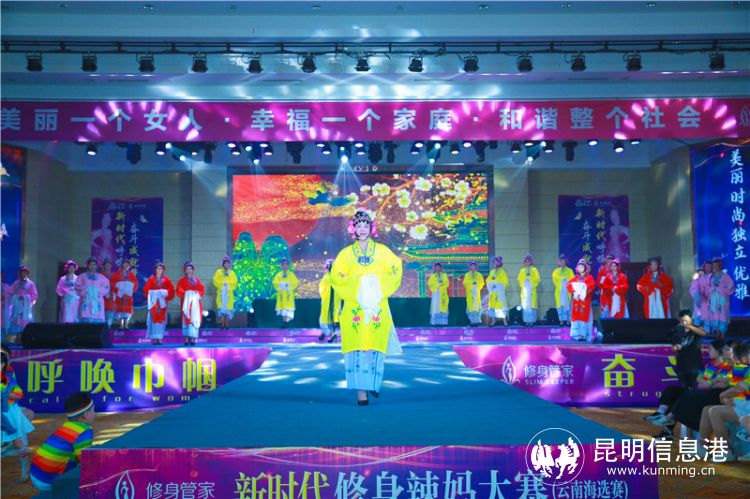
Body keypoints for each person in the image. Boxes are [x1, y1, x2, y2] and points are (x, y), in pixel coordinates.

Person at [330, 210, 402, 406]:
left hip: (377, 306)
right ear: (353, 228)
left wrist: (375, 284)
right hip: (355, 306)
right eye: (358, 225)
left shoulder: (382, 251)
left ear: (371, 228)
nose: (362, 229)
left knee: (374, 346)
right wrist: (358, 284)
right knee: (357, 347)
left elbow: (395, 269)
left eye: (366, 225)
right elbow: (337, 276)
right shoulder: (345, 254)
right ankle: (361, 392)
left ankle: (373, 383)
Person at [646, 339, 724, 440]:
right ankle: (661, 413)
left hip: (712, 395)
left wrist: (708, 384)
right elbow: (699, 377)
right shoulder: (710, 364)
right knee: (672, 390)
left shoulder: (727, 366)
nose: (708, 351)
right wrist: (706, 383)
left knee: (687, 395)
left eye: (710, 349)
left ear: (718, 351)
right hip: (702, 390)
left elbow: (722, 383)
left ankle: (669, 419)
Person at [695, 342, 750, 462]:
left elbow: (738, 389)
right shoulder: (740, 368)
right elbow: (730, 382)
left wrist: (723, 395)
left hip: (746, 408)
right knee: (707, 409)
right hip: (741, 405)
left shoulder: (745, 368)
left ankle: (725, 451)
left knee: (714, 411)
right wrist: (724, 393)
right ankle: (702, 446)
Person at [29, 391, 94, 492]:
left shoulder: (67, 426)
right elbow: (85, 462)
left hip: (35, 473)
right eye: (93, 410)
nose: (94, 413)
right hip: (48, 480)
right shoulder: (84, 432)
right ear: (86, 414)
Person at [1, 349, 34, 482]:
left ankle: (25, 471)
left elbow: (19, 394)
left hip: (9, 413)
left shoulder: (8, 377)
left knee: (18, 442)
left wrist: (4, 394)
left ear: (2, 364)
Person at [700, 257, 735, 338]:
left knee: (723, 315)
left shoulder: (725, 276)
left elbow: (731, 286)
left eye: (717, 265)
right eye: (714, 265)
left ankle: (722, 334)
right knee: (714, 315)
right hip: (713, 298)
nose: (715, 266)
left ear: (720, 265)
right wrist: (711, 290)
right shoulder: (710, 276)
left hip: (722, 298)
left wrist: (720, 287)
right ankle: (715, 333)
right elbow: (706, 287)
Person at [143, 260, 175, 345]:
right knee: (154, 320)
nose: (159, 270)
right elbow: (146, 290)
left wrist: (164, 292)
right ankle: (154, 338)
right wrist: (153, 293)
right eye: (157, 268)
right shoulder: (151, 279)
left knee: (161, 320)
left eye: (161, 268)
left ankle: (160, 338)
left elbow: (171, 290)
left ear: (163, 270)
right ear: (155, 269)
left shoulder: (166, 280)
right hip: (154, 303)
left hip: (162, 303)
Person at [176, 261, 205, 346]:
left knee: (194, 320)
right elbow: (178, 290)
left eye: (190, 269)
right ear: (184, 270)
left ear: (193, 270)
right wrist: (186, 293)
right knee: (186, 319)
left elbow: (201, 290)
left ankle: (193, 338)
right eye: (187, 269)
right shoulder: (181, 281)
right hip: (186, 304)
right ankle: (186, 338)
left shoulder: (196, 281)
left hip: (195, 305)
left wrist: (196, 293)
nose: (189, 271)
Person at [567, 259, 596, 342]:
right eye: (579, 266)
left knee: (586, 317)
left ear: (585, 268)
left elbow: (592, 286)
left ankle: (586, 335)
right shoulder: (575, 278)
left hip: (585, 301)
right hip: (577, 301)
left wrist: (583, 289)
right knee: (577, 317)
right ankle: (577, 335)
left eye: (582, 266)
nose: (580, 268)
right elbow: (568, 285)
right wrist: (574, 291)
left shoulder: (589, 277)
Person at [74, 257, 110, 324]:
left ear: (96, 266)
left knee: (97, 324)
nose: (92, 266)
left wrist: (97, 291)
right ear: (88, 265)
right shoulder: (82, 276)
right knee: (85, 324)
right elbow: (77, 287)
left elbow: (107, 287)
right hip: (86, 301)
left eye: (94, 265)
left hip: (97, 301)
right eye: (90, 264)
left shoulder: (101, 277)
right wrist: (85, 291)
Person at [8, 266, 37, 342]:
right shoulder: (15, 284)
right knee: (16, 325)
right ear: (20, 274)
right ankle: (16, 338)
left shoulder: (31, 284)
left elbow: (34, 295)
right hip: (17, 308)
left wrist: (25, 297)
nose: (23, 274)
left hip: (26, 308)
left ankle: (24, 339)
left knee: (25, 325)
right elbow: (10, 294)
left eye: (25, 273)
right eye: (22, 273)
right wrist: (16, 297)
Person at [318, 259, 342, 341]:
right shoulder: (337, 277)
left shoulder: (327, 277)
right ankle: (327, 333)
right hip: (335, 302)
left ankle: (330, 334)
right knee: (332, 319)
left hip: (327, 302)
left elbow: (322, 289)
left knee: (323, 320)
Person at [212, 256, 238, 330]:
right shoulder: (218, 272)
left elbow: (235, 281)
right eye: (226, 263)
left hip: (229, 294)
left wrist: (228, 284)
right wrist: (222, 284)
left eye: (228, 263)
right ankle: (222, 324)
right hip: (221, 294)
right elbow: (215, 280)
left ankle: (226, 325)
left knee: (227, 310)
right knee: (221, 310)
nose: (227, 265)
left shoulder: (232, 273)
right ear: (223, 264)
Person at [111, 259, 138, 330]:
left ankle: (126, 324)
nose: (126, 265)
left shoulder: (131, 274)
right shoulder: (116, 273)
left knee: (127, 310)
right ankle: (121, 324)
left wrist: (131, 290)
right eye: (124, 263)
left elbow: (135, 283)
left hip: (127, 296)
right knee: (120, 309)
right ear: (122, 264)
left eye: (127, 264)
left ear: (129, 265)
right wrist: (117, 290)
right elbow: (112, 283)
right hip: (119, 295)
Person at [272, 257, 299, 323]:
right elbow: (274, 282)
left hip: (288, 295)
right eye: (283, 264)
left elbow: (296, 282)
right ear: (281, 265)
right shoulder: (278, 275)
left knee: (288, 310)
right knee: (283, 311)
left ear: (288, 265)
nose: (284, 266)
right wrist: (280, 284)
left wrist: (288, 285)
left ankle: (286, 321)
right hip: (281, 295)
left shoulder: (291, 274)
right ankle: (285, 322)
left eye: (286, 264)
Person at [517, 254, 541, 327]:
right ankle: (526, 321)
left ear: (531, 262)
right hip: (525, 291)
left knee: (532, 307)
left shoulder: (534, 270)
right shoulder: (522, 271)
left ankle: (532, 321)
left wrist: (531, 283)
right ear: (524, 262)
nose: (527, 263)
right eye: (526, 261)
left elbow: (537, 279)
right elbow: (519, 279)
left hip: (531, 291)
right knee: (525, 306)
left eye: (528, 261)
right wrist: (524, 283)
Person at [552, 254, 574, 327]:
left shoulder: (570, 271)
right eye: (561, 261)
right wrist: (561, 282)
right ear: (559, 262)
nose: (562, 262)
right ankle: (561, 320)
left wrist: (566, 281)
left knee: (568, 306)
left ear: (566, 262)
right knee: (560, 306)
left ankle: (568, 321)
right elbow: (554, 279)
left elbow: (572, 279)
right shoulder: (556, 271)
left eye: (564, 261)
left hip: (567, 291)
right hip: (559, 291)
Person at [486, 257, 509, 327]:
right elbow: (488, 280)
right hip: (493, 293)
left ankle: (505, 321)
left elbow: (505, 282)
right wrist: (491, 285)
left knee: (501, 306)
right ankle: (493, 321)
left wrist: (497, 285)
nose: (493, 263)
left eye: (495, 262)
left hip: (499, 293)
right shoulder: (492, 272)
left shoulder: (502, 272)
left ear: (499, 263)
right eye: (493, 262)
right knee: (492, 307)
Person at [689, 262, 712, 327]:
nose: (701, 273)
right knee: (697, 316)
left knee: (706, 317)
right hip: (698, 301)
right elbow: (692, 290)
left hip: (706, 301)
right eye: (699, 272)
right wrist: (698, 294)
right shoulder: (695, 281)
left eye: (702, 272)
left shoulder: (709, 278)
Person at [463, 260, 484, 327]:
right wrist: (472, 284)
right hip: (470, 294)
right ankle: (472, 322)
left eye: (474, 265)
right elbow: (465, 283)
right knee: (471, 308)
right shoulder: (467, 275)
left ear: (476, 266)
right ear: (469, 266)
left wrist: (476, 284)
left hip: (476, 294)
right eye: (471, 265)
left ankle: (476, 322)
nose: (473, 267)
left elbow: (482, 282)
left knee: (476, 307)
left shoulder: (479, 275)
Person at [597, 254, 615, 318]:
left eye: (611, 261)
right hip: (604, 293)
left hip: (613, 292)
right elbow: (599, 282)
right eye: (608, 261)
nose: (610, 262)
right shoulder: (602, 270)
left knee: (614, 308)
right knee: (605, 309)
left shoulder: (616, 270)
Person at [100, 259, 116, 328]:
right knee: (103, 314)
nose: (108, 266)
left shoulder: (114, 274)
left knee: (111, 314)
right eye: (106, 265)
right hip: (103, 297)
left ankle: (108, 327)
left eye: (109, 265)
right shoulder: (100, 275)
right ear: (103, 266)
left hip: (112, 297)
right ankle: (104, 328)